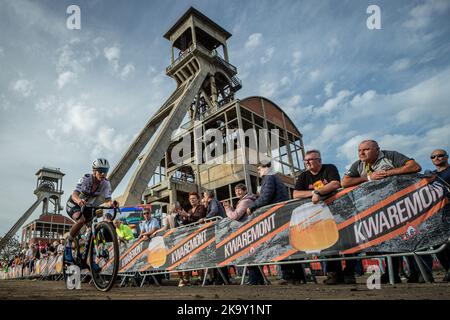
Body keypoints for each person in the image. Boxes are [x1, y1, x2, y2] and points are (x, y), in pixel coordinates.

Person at [342, 140, 421, 283]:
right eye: (359, 150)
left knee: (409, 237)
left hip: (401, 205)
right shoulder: (358, 164)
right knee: (387, 242)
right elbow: (345, 182)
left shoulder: (391, 155)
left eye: (366, 149)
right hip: (376, 209)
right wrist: (368, 178)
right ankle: (391, 273)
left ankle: (419, 272)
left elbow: (415, 166)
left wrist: (388, 173)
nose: (361, 153)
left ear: (377, 150)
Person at [293, 149, 356, 284]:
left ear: (319, 160)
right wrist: (314, 193)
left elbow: (335, 184)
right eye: (305, 160)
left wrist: (318, 192)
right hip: (322, 216)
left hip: (341, 210)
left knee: (348, 242)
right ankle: (334, 274)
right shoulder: (303, 176)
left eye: (310, 159)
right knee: (329, 243)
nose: (307, 162)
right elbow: (296, 194)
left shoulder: (329, 168)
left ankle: (350, 273)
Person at [248, 161, 304, 285]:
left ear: (266, 167)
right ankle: (299, 276)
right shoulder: (274, 178)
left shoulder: (269, 178)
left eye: (259, 169)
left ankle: (288, 276)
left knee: (281, 244)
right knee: (289, 244)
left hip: (279, 216)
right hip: (284, 213)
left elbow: (266, 196)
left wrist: (253, 206)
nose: (258, 172)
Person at [64, 158, 119, 263]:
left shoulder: (106, 183)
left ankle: (91, 260)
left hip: (88, 206)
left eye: (105, 171)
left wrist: (112, 204)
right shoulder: (85, 179)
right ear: (94, 171)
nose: (103, 174)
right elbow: (74, 194)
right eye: (100, 171)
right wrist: (79, 201)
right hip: (74, 203)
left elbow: (108, 200)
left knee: (94, 228)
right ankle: (68, 243)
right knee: (81, 220)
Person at [224, 183, 263, 285]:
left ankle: (254, 280)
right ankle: (257, 279)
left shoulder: (245, 201)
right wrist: (231, 208)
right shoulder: (244, 201)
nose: (237, 192)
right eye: (236, 191)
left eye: (239, 190)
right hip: (249, 229)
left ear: (245, 191)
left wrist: (227, 208)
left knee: (250, 255)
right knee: (251, 255)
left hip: (248, 230)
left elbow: (235, 216)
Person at [430, 149, 450, 282]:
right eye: (433, 156)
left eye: (440, 155)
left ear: (447, 157)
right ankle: (448, 268)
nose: (436, 158)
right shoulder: (430, 175)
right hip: (437, 214)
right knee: (438, 244)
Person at [178, 192, 206, 287]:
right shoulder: (189, 210)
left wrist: (188, 216)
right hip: (190, 237)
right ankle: (187, 279)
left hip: (200, 235)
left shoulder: (201, 207)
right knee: (189, 257)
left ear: (198, 199)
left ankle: (201, 278)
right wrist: (184, 218)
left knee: (199, 256)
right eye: (190, 199)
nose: (192, 200)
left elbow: (199, 217)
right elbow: (187, 222)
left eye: (194, 198)